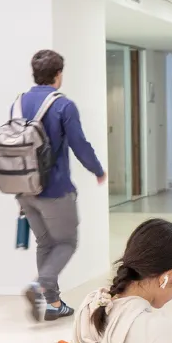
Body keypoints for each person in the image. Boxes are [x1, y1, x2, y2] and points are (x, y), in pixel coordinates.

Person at [18, 49, 107, 323]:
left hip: (22, 189)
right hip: (54, 190)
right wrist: (97, 169)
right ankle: (41, 284)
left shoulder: (18, 102)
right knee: (67, 241)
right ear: (58, 75)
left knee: (45, 242)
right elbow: (79, 143)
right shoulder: (62, 105)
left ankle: (54, 303)